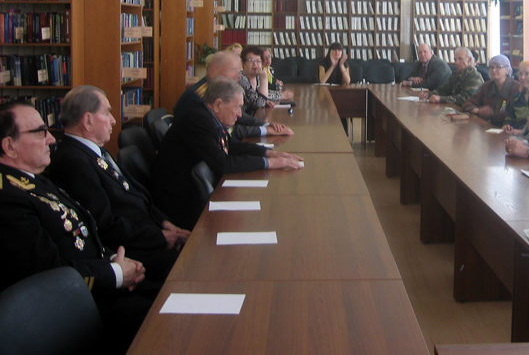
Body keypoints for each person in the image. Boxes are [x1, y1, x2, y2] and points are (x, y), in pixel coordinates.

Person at [0, 101, 150, 350]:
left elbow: (81, 232)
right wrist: (115, 274)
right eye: (40, 132)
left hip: (100, 287)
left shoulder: (32, 180)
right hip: (78, 314)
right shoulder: (8, 199)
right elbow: (49, 275)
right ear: (9, 146)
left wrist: (115, 260)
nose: (51, 139)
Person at [50, 85, 189, 282]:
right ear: (88, 121)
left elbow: (137, 195)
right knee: (191, 265)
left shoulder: (95, 150)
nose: (113, 120)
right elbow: (104, 225)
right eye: (107, 112)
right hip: (129, 251)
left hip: (147, 233)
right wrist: (160, 237)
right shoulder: (73, 162)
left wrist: (166, 224)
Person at [150, 77, 303, 230]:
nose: (240, 114)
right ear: (218, 104)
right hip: (179, 202)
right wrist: (270, 164)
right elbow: (223, 163)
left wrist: (269, 154)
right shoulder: (198, 120)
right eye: (237, 107)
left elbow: (231, 145)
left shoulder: (208, 115)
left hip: (188, 192)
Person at [174, 51, 293, 138]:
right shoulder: (199, 96)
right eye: (234, 70)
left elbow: (240, 116)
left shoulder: (219, 90)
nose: (238, 76)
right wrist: (265, 130)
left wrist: (266, 125)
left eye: (239, 71)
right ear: (215, 70)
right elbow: (227, 131)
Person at [462, 54, 520, 125]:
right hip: (485, 125)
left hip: (506, 127)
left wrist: (493, 113)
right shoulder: (487, 85)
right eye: (491, 67)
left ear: (507, 70)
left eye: (498, 67)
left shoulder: (516, 88)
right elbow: (467, 103)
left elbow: (515, 115)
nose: (493, 70)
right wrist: (479, 111)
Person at [240, 45, 294, 116]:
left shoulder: (257, 77)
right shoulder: (242, 79)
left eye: (258, 61)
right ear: (243, 63)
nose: (255, 64)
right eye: (251, 60)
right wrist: (264, 79)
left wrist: (278, 96)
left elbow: (263, 94)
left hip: (254, 116)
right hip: (242, 119)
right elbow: (259, 104)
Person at [418, 48, 483, 106]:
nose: (457, 62)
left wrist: (441, 99)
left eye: (460, 59)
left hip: (470, 112)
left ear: (469, 60)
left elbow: (465, 98)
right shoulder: (456, 74)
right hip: (455, 108)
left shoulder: (475, 77)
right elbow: (444, 90)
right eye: (455, 60)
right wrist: (428, 95)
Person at [503, 60, 529, 129]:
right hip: (513, 134)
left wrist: (520, 131)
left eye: (527, 74)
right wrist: (507, 126)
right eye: (520, 74)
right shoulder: (516, 97)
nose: (522, 77)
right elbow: (509, 119)